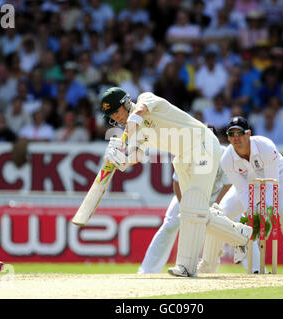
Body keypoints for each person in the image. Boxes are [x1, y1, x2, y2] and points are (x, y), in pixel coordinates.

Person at [101, 87, 252, 277]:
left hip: (202, 145)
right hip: (182, 157)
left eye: (116, 111)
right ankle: (240, 235)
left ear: (125, 103)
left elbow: (139, 112)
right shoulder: (135, 132)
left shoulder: (145, 99)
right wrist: (120, 161)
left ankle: (187, 267)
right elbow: (137, 155)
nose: (116, 118)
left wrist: (124, 138)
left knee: (195, 208)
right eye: (111, 116)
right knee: (191, 210)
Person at [218, 116, 283, 274]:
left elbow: (272, 184)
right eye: (232, 134)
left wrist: (265, 212)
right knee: (219, 215)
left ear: (248, 134)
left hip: (280, 179)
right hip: (249, 184)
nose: (236, 138)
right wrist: (253, 215)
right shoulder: (226, 160)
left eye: (240, 133)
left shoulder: (265, 146)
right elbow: (243, 190)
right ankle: (211, 262)